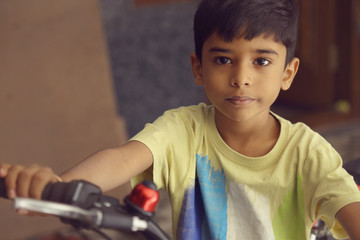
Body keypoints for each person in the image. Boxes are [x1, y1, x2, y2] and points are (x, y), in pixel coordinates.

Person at [1, 0, 360, 239]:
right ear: (198, 68)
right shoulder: (183, 130)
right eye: (223, 59)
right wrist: (61, 186)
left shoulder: (308, 152)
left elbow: (348, 206)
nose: (241, 77)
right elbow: (124, 157)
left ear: (288, 72)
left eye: (261, 61)